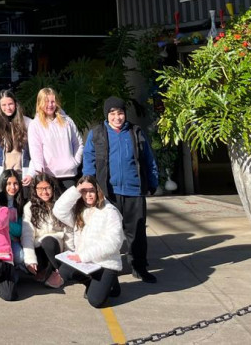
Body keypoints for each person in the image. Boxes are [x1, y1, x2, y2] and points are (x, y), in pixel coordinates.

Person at [83, 96, 159, 283]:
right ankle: (109, 270)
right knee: (108, 233)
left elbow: (149, 160)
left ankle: (139, 267)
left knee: (137, 233)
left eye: (120, 113)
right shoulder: (97, 133)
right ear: (107, 115)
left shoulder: (136, 132)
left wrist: (153, 181)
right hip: (108, 193)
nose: (117, 117)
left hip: (134, 190)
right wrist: (90, 187)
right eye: (113, 114)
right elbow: (89, 162)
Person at [53, 175, 125, 308]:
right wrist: (76, 189)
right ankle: (102, 283)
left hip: (105, 263)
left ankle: (110, 282)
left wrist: (83, 256)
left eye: (91, 190)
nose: (88, 195)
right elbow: (58, 210)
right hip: (87, 262)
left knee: (95, 301)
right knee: (65, 272)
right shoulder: (79, 211)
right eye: (84, 192)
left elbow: (114, 243)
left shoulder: (110, 212)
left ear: (98, 190)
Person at [27, 88, 83, 191]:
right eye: (46, 102)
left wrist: (75, 162)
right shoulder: (35, 125)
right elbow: (36, 150)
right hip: (49, 176)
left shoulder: (67, 121)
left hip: (69, 174)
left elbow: (78, 143)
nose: (50, 105)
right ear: (40, 103)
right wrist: (40, 172)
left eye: (53, 101)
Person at [21, 173, 70, 289]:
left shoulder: (60, 205)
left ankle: (59, 271)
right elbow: (27, 235)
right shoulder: (29, 207)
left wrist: (70, 255)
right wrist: (30, 260)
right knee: (40, 245)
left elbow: (69, 231)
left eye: (47, 188)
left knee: (48, 241)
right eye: (40, 189)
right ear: (35, 189)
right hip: (39, 248)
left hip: (56, 246)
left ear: (53, 188)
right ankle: (46, 269)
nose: (45, 192)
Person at [0, 89, 31, 184]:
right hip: (0, 176)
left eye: (10, 104)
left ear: (16, 104)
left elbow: (34, 152)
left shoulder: (28, 123)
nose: (8, 108)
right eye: (4, 105)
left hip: (23, 175)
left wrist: (31, 173)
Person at [0, 169, 26, 270]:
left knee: (21, 257)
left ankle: (15, 268)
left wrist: (5, 224)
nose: (12, 187)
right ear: (3, 183)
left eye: (15, 183)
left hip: (13, 239)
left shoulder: (20, 202)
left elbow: (18, 231)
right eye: (8, 183)